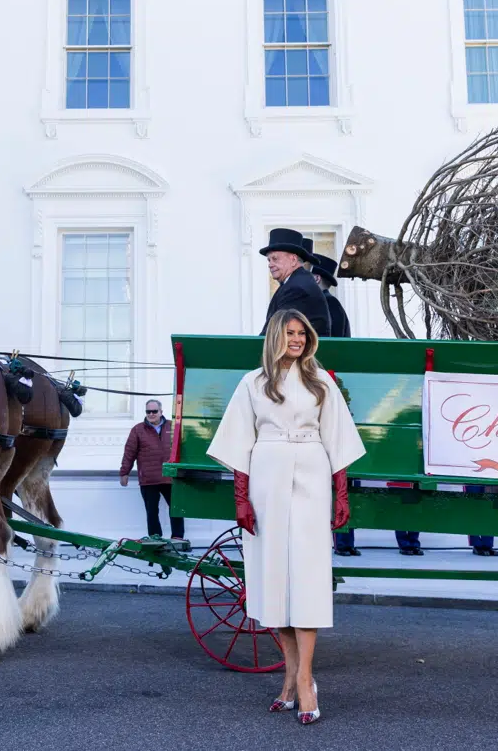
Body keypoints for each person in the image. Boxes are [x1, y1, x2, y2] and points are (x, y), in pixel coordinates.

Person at [207, 309, 365, 725]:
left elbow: (339, 439)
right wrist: (241, 498)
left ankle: (307, 680)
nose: (296, 339)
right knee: (272, 578)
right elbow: (239, 444)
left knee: (308, 577)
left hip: (313, 473)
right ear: (276, 336)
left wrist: (341, 494)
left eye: (302, 333)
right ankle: (289, 676)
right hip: (266, 478)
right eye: (290, 333)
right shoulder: (252, 383)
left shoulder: (320, 381)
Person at [119, 398, 183, 541]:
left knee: (177, 508)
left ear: (161, 412)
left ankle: (178, 538)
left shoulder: (173, 427)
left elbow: (183, 449)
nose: (151, 414)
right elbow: (129, 452)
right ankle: (155, 539)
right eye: (149, 411)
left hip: (170, 477)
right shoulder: (138, 430)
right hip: (149, 479)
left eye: (154, 411)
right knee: (152, 512)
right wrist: (124, 472)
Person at [259, 228, 331, 338]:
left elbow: (276, 331)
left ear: (293, 260)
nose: (270, 264)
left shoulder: (297, 288)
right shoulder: (295, 282)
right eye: (269, 260)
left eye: (275, 259)